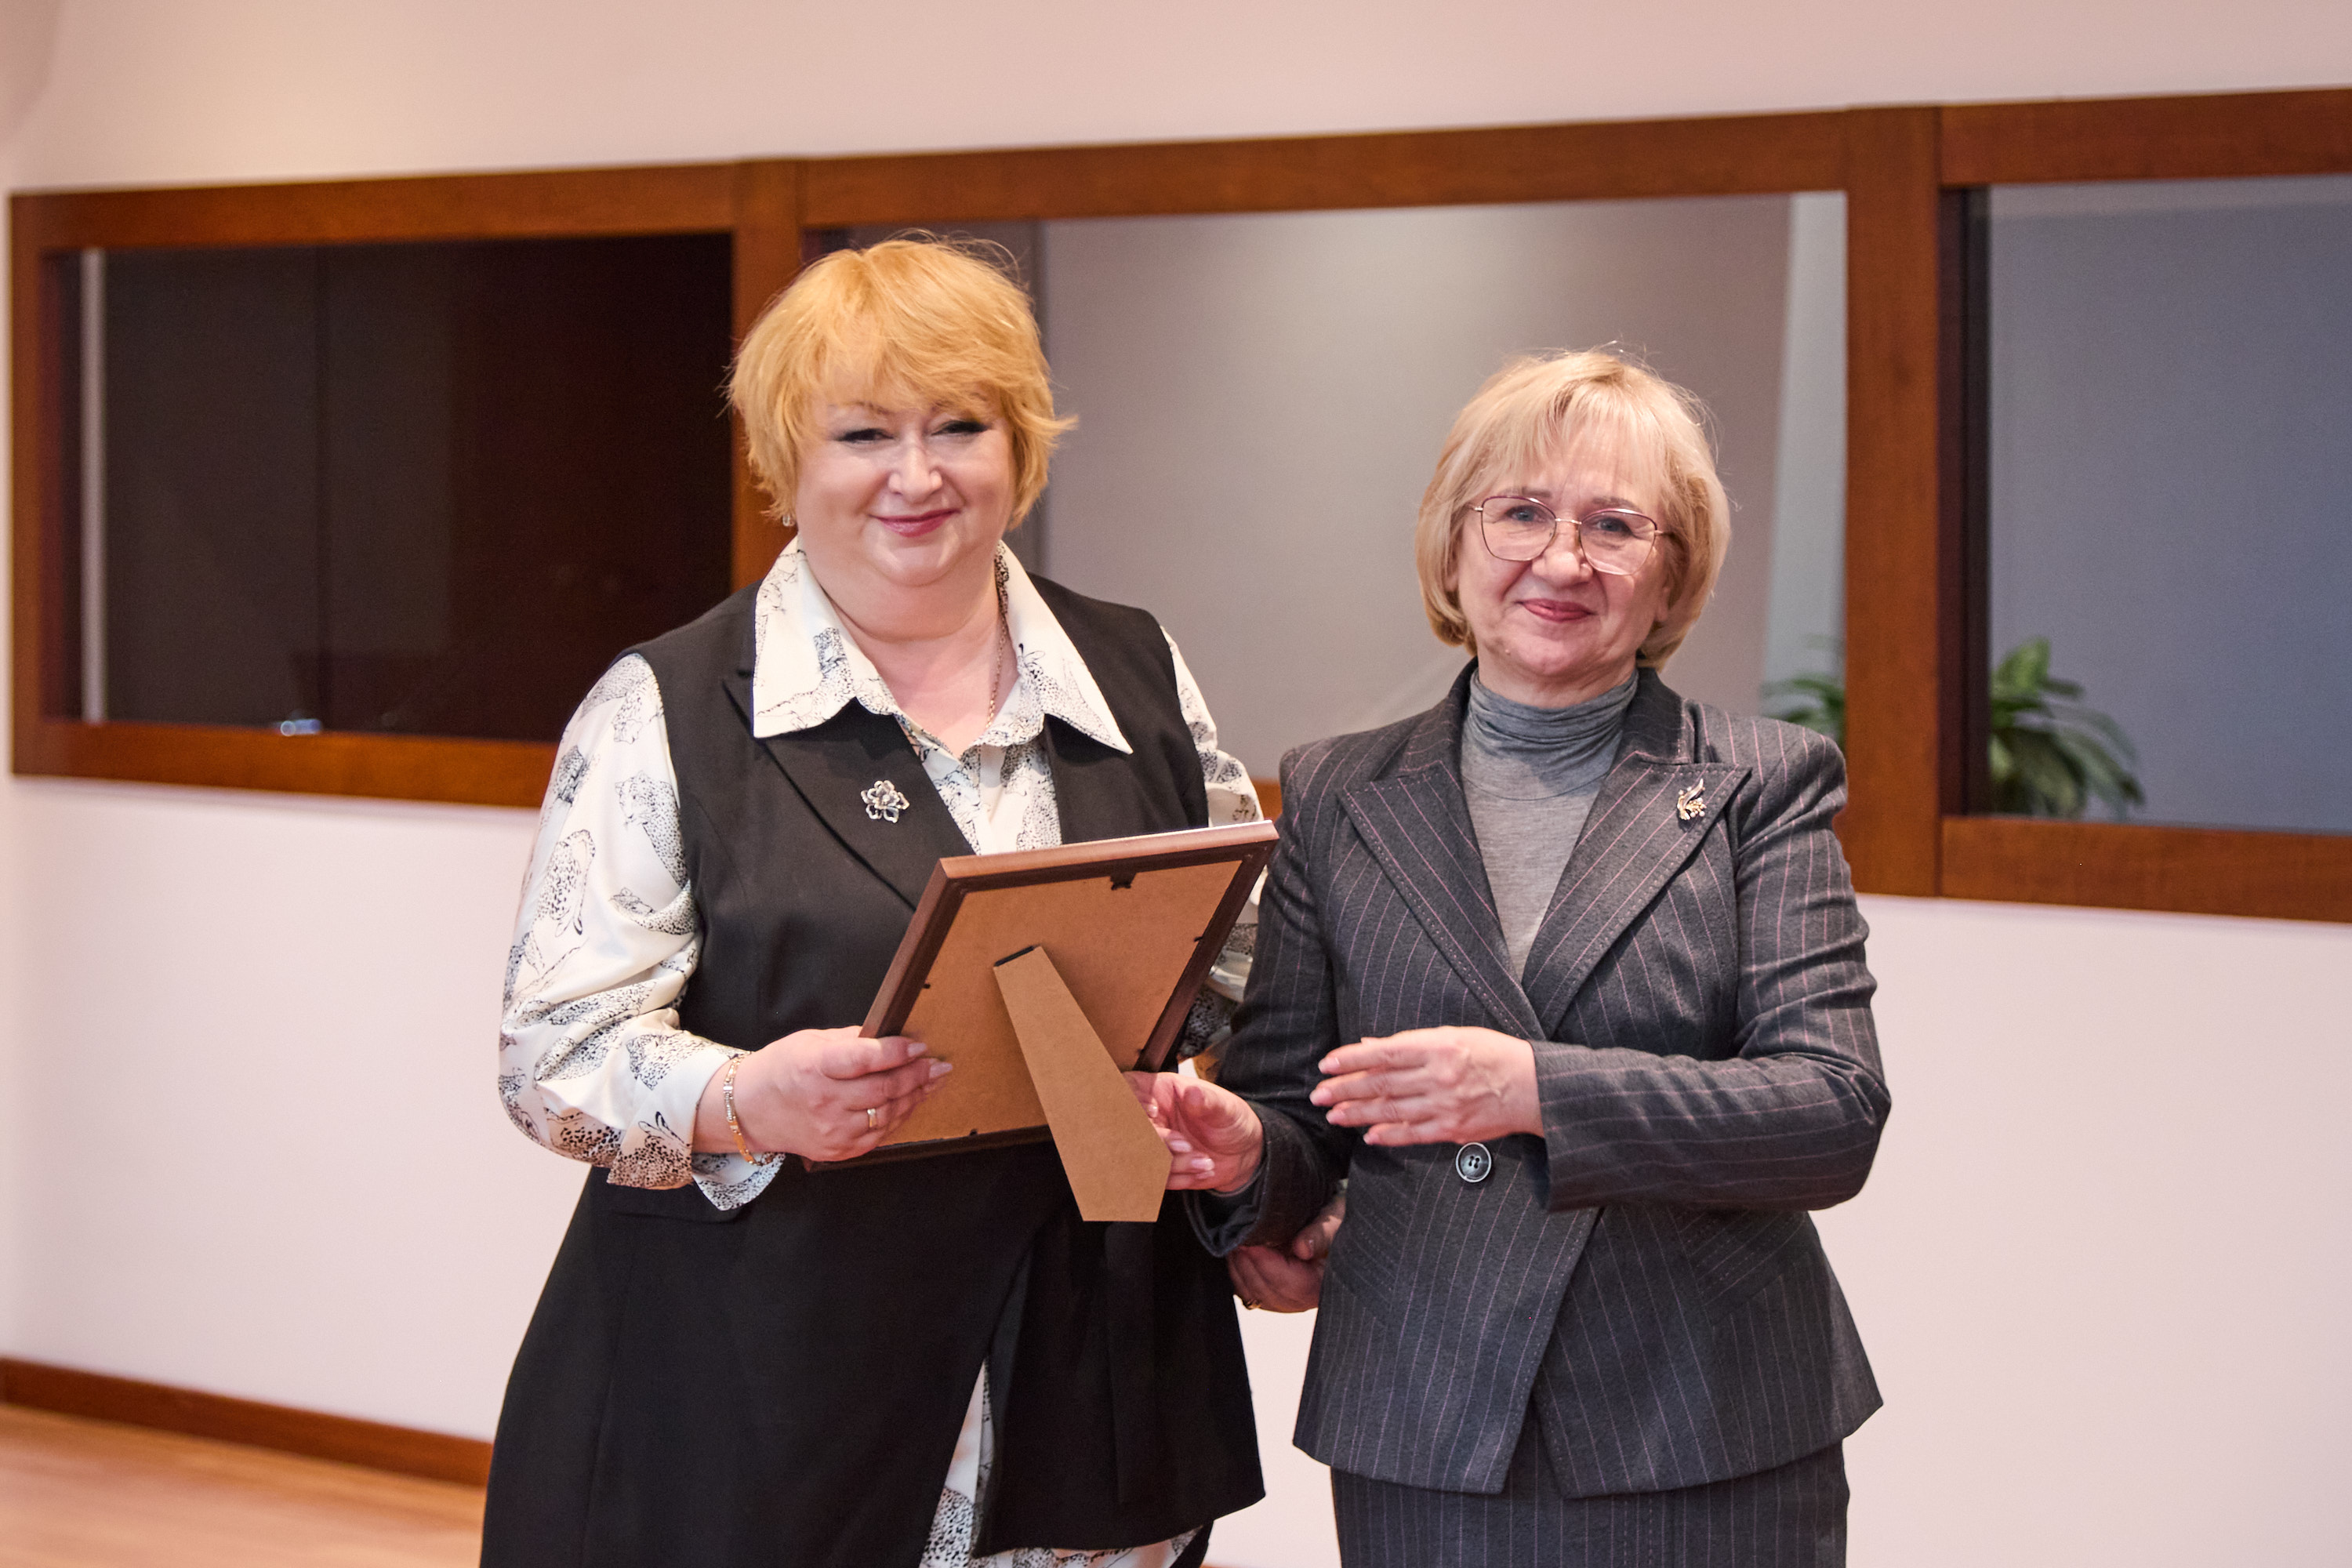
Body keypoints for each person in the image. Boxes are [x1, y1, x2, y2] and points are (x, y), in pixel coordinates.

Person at [484, 238, 1264, 1568]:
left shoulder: (1135, 670)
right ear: (787, 459)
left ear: (1020, 446)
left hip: (1087, 1367)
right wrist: (744, 1098)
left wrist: (1236, 1127)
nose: (917, 475)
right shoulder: (668, 706)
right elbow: (550, 1057)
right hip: (767, 1382)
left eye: (961, 426)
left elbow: (1240, 960)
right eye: (863, 434)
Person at [1138, 350, 1888, 1566]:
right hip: (1427, 1417)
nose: (1563, 559)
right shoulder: (1336, 790)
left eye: (1615, 526)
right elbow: (1303, 1111)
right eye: (1523, 512)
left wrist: (1534, 1089)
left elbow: (1832, 1112)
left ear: (1671, 573)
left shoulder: (1763, 783)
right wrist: (1244, 1160)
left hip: (1701, 1419)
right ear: (1453, 547)